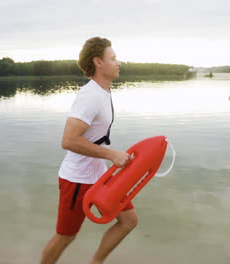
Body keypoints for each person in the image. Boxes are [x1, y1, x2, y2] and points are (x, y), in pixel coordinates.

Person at [40, 37, 138, 264]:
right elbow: (68, 140)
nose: (118, 62)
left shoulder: (103, 93)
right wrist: (112, 154)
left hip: (99, 176)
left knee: (129, 220)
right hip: (77, 179)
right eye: (112, 58)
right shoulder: (89, 96)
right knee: (66, 236)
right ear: (98, 62)